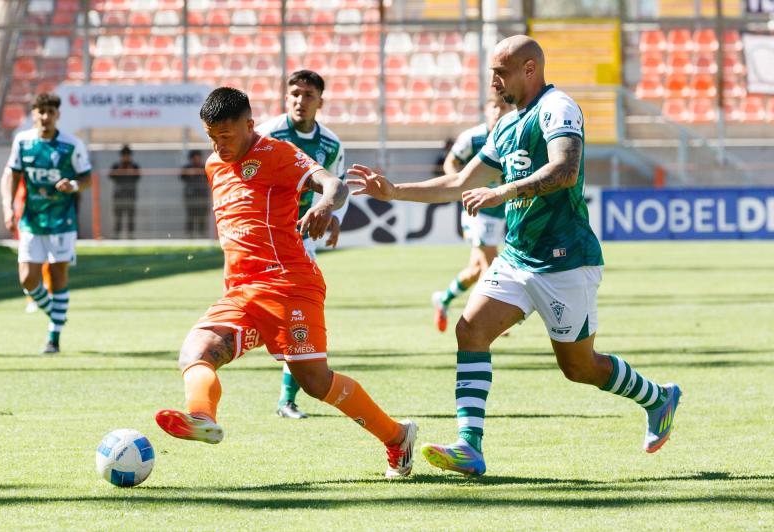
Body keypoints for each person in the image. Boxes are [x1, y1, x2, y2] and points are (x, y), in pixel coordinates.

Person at [348, 35, 681, 476]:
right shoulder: (505, 125)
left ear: (529, 69)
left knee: (579, 367)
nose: (492, 81)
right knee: (470, 330)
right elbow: (460, 182)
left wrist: (506, 189)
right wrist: (394, 191)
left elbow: (566, 170)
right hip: (519, 257)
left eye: (500, 72)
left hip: (566, 260)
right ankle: (470, 446)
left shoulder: (557, 108)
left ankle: (658, 397)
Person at [154, 87, 417, 479]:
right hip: (241, 291)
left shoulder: (275, 153)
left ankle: (397, 436)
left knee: (314, 382)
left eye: (226, 137)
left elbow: (334, 184)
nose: (219, 146)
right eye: (211, 137)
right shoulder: (213, 164)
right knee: (196, 351)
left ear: (249, 125)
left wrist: (324, 205)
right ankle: (201, 417)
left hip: (288, 283)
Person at [256, 69, 349, 420]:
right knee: (272, 314)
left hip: (299, 237)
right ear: (286, 97)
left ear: (320, 102)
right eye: (295, 93)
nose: (300, 100)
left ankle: (286, 399)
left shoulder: (331, 144)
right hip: (263, 235)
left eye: (308, 95)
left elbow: (336, 184)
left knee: (298, 312)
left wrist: (335, 215)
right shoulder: (267, 134)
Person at [0, 92, 92, 353]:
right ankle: (57, 314)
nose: (45, 117)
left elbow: (87, 178)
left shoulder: (71, 145)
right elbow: (10, 176)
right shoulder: (23, 142)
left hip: (62, 221)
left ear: (57, 115)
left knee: (57, 275)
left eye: (50, 112)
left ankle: (54, 337)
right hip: (31, 220)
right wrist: (8, 207)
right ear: (33, 114)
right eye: (41, 112)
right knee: (28, 279)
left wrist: (72, 184)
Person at [431, 93, 513, 332]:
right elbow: (451, 163)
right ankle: (489, 317)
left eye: (503, 107)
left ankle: (443, 299)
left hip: (500, 209)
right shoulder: (473, 137)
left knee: (476, 269)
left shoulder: (513, 136)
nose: (498, 111)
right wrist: (462, 186)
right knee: (491, 261)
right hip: (477, 210)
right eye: (494, 107)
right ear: (486, 110)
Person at [108, 144, 141, 238]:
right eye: (124, 155)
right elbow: (110, 176)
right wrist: (120, 170)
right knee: (118, 217)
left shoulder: (134, 166)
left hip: (130, 195)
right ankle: (116, 237)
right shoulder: (116, 165)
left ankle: (131, 237)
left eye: (127, 155)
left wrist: (131, 170)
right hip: (118, 195)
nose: (126, 157)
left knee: (131, 217)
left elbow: (138, 177)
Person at [180, 149, 210, 237]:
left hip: (202, 196)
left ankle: (203, 235)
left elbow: (209, 178)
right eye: (194, 157)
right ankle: (190, 236)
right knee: (191, 216)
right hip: (191, 196)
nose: (196, 159)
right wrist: (190, 173)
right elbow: (182, 177)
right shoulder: (187, 167)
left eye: (198, 157)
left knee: (202, 216)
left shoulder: (204, 167)